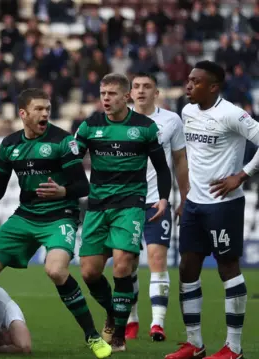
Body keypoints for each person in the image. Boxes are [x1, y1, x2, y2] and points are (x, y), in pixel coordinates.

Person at [0, 88, 111, 358]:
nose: (45, 113)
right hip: (26, 215)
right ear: (23, 114)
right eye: (39, 109)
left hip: (59, 215)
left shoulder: (62, 141)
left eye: (48, 108)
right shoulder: (10, 144)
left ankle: (93, 337)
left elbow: (82, 185)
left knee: (56, 270)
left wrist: (63, 192)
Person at [165, 61, 259, 359]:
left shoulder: (232, 114)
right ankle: (195, 344)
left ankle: (234, 347)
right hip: (194, 204)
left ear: (213, 87)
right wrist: (185, 197)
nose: (188, 85)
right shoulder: (187, 111)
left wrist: (241, 175)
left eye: (195, 81)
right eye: (188, 80)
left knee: (227, 268)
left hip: (224, 205)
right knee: (187, 268)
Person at [74, 73, 172, 352]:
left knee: (122, 265)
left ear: (126, 97)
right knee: (90, 272)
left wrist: (163, 198)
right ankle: (113, 311)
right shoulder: (90, 125)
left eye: (112, 94)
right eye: (103, 93)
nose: (106, 98)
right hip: (97, 206)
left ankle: (118, 333)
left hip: (130, 205)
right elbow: (72, 160)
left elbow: (162, 168)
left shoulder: (145, 127)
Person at [126, 73, 189, 341]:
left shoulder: (171, 121)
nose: (140, 91)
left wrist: (185, 198)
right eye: (136, 87)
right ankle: (131, 319)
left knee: (157, 259)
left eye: (147, 86)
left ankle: (158, 323)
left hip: (157, 202)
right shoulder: (119, 118)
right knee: (126, 263)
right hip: (125, 203)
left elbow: (180, 160)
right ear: (129, 93)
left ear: (156, 93)